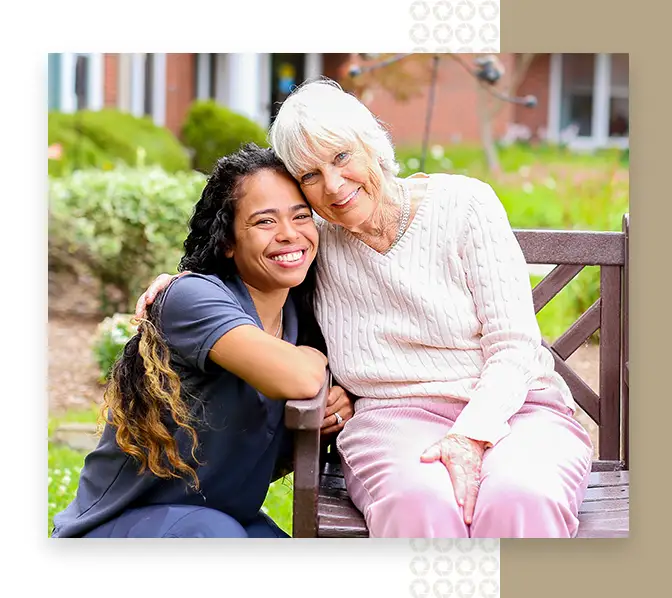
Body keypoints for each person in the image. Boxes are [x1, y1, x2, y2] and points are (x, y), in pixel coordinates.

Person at [136, 78, 594, 538]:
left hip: (518, 409)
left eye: (341, 157)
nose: (333, 186)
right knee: (420, 504)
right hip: (392, 419)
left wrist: (471, 433)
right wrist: (182, 283)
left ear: (372, 144)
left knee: (522, 497)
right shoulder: (314, 237)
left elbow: (515, 346)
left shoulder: (465, 205)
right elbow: (253, 261)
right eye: (310, 176)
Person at [51, 143, 354, 538]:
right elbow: (299, 378)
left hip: (218, 521)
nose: (289, 234)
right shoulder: (191, 299)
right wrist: (315, 359)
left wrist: (335, 408)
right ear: (227, 241)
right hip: (120, 529)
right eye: (264, 222)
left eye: (301, 217)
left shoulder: (302, 314)